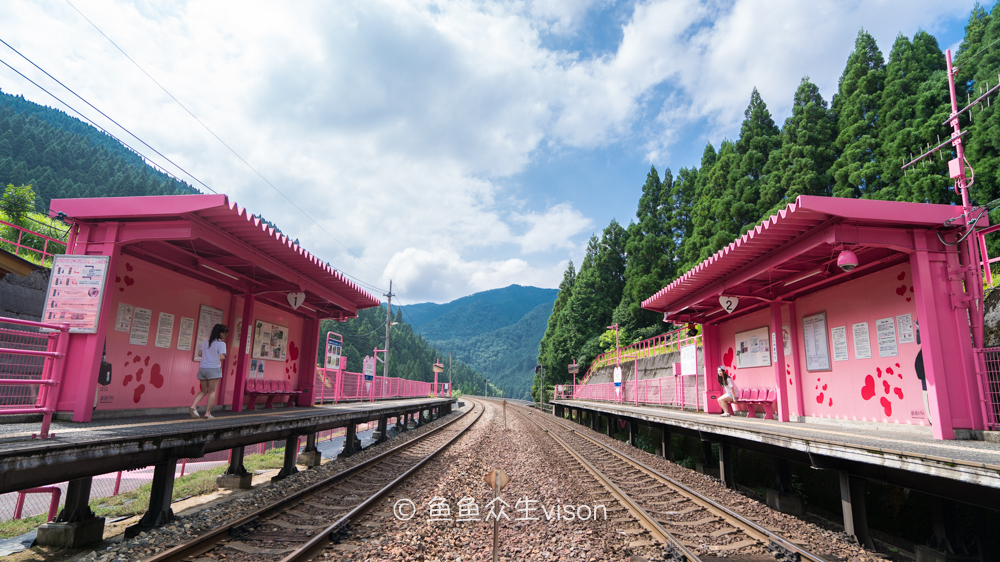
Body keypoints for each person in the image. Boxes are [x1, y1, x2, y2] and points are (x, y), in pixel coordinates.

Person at [191, 324, 228, 419]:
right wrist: (222, 356)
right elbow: (221, 357)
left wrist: (208, 355)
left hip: (203, 368)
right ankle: (207, 413)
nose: (226, 335)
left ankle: (193, 406)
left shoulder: (206, 341)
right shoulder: (221, 344)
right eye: (225, 333)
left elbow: (199, 353)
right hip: (213, 369)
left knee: (204, 390)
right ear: (221, 333)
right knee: (212, 391)